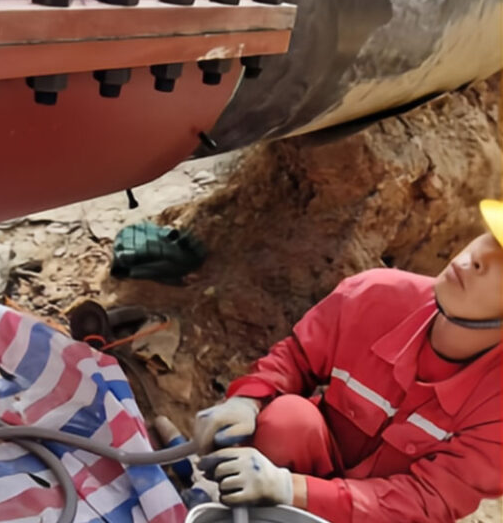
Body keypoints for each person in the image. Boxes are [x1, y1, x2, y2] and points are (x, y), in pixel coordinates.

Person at [194, 200, 503, 523]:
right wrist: (246, 401)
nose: (478, 258)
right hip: (316, 464)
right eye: (489, 238)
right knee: (288, 421)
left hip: (388, 514)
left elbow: (427, 500)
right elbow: (296, 357)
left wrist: (290, 488)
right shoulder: (378, 296)